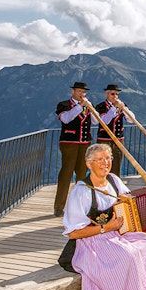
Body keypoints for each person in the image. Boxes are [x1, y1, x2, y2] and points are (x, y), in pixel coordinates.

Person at [62, 143, 146, 290]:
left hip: (116, 234)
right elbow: (73, 233)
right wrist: (106, 228)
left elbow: (131, 203)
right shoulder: (81, 192)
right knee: (124, 256)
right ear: (88, 164)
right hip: (91, 241)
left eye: (108, 158)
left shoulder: (113, 181)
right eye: (99, 159)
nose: (105, 163)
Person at [54, 81, 93, 216]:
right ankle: (59, 206)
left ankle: (79, 205)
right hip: (69, 143)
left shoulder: (87, 106)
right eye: (79, 92)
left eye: (83, 92)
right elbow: (65, 119)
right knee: (66, 174)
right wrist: (80, 106)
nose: (82, 94)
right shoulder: (64, 105)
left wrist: (90, 109)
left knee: (82, 175)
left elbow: (94, 121)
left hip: (84, 144)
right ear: (73, 92)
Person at [94, 84, 128, 175]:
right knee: (103, 165)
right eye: (113, 94)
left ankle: (115, 186)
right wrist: (114, 108)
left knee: (117, 166)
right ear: (107, 94)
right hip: (104, 140)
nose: (115, 97)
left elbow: (130, 119)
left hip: (119, 140)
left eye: (117, 94)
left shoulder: (122, 106)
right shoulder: (100, 106)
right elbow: (104, 121)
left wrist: (124, 108)